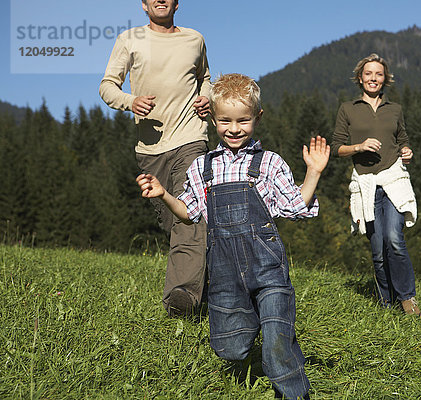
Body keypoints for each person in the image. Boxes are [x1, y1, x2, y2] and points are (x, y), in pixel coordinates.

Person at [137, 74, 328, 399]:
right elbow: (189, 213)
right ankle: (251, 321)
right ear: (212, 118)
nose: (234, 128)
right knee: (230, 349)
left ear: (258, 117)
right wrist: (164, 194)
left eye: (243, 120)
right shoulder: (202, 167)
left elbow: (296, 207)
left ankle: (295, 392)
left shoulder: (268, 163)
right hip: (225, 277)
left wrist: (314, 172)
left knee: (277, 341)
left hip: (268, 272)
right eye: (225, 120)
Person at [99, 0, 211, 317]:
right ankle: (210, 279)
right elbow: (107, 85)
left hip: (191, 137)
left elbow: (205, 78)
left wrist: (208, 97)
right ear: (144, 4)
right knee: (172, 221)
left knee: (191, 216)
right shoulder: (129, 39)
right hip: (150, 148)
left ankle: (183, 299)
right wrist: (130, 101)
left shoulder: (194, 39)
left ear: (177, 3)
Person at [331, 53, 421, 315]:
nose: (373, 78)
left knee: (394, 239)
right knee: (378, 249)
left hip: (393, 179)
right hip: (365, 185)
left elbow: (402, 139)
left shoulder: (395, 109)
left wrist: (407, 151)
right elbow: (337, 147)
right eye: (368, 74)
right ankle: (386, 302)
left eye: (378, 74)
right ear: (360, 78)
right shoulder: (348, 109)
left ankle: (408, 300)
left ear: (385, 79)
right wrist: (359, 146)